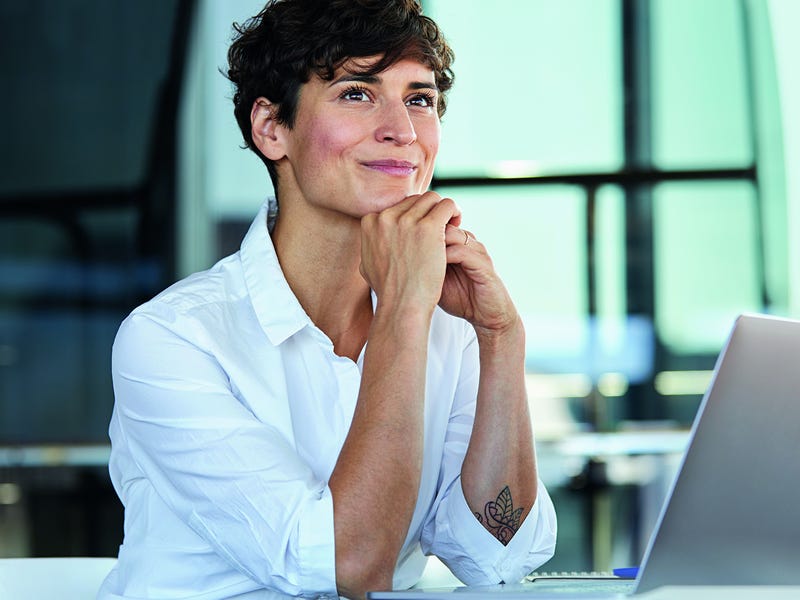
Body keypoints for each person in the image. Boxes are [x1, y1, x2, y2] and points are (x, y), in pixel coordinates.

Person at [98, 1, 556, 598]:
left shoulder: (449, 326)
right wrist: (399, 313)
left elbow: (496, 554)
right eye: (357, 93)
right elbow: (347, 567)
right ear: (271, 129)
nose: (403, 130)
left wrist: (501, 339)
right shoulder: (172, 338)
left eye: (419, 99)